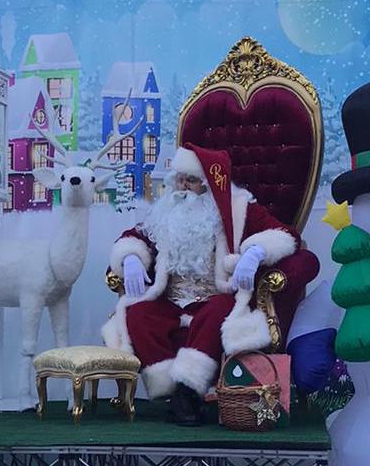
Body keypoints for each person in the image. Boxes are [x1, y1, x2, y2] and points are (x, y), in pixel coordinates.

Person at [102, 144, 300, 425]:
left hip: (213, 296)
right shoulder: (167, 210)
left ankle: (188, 390)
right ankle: (172, 391)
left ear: (209, 185)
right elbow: (135, 235)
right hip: (172, 300)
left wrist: (256, 251)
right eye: (179, 179)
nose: (182, 187)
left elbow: (285, 235)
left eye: (191, 180)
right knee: (138, 314)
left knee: (219, 311)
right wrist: (131, 257)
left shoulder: (239, 208)